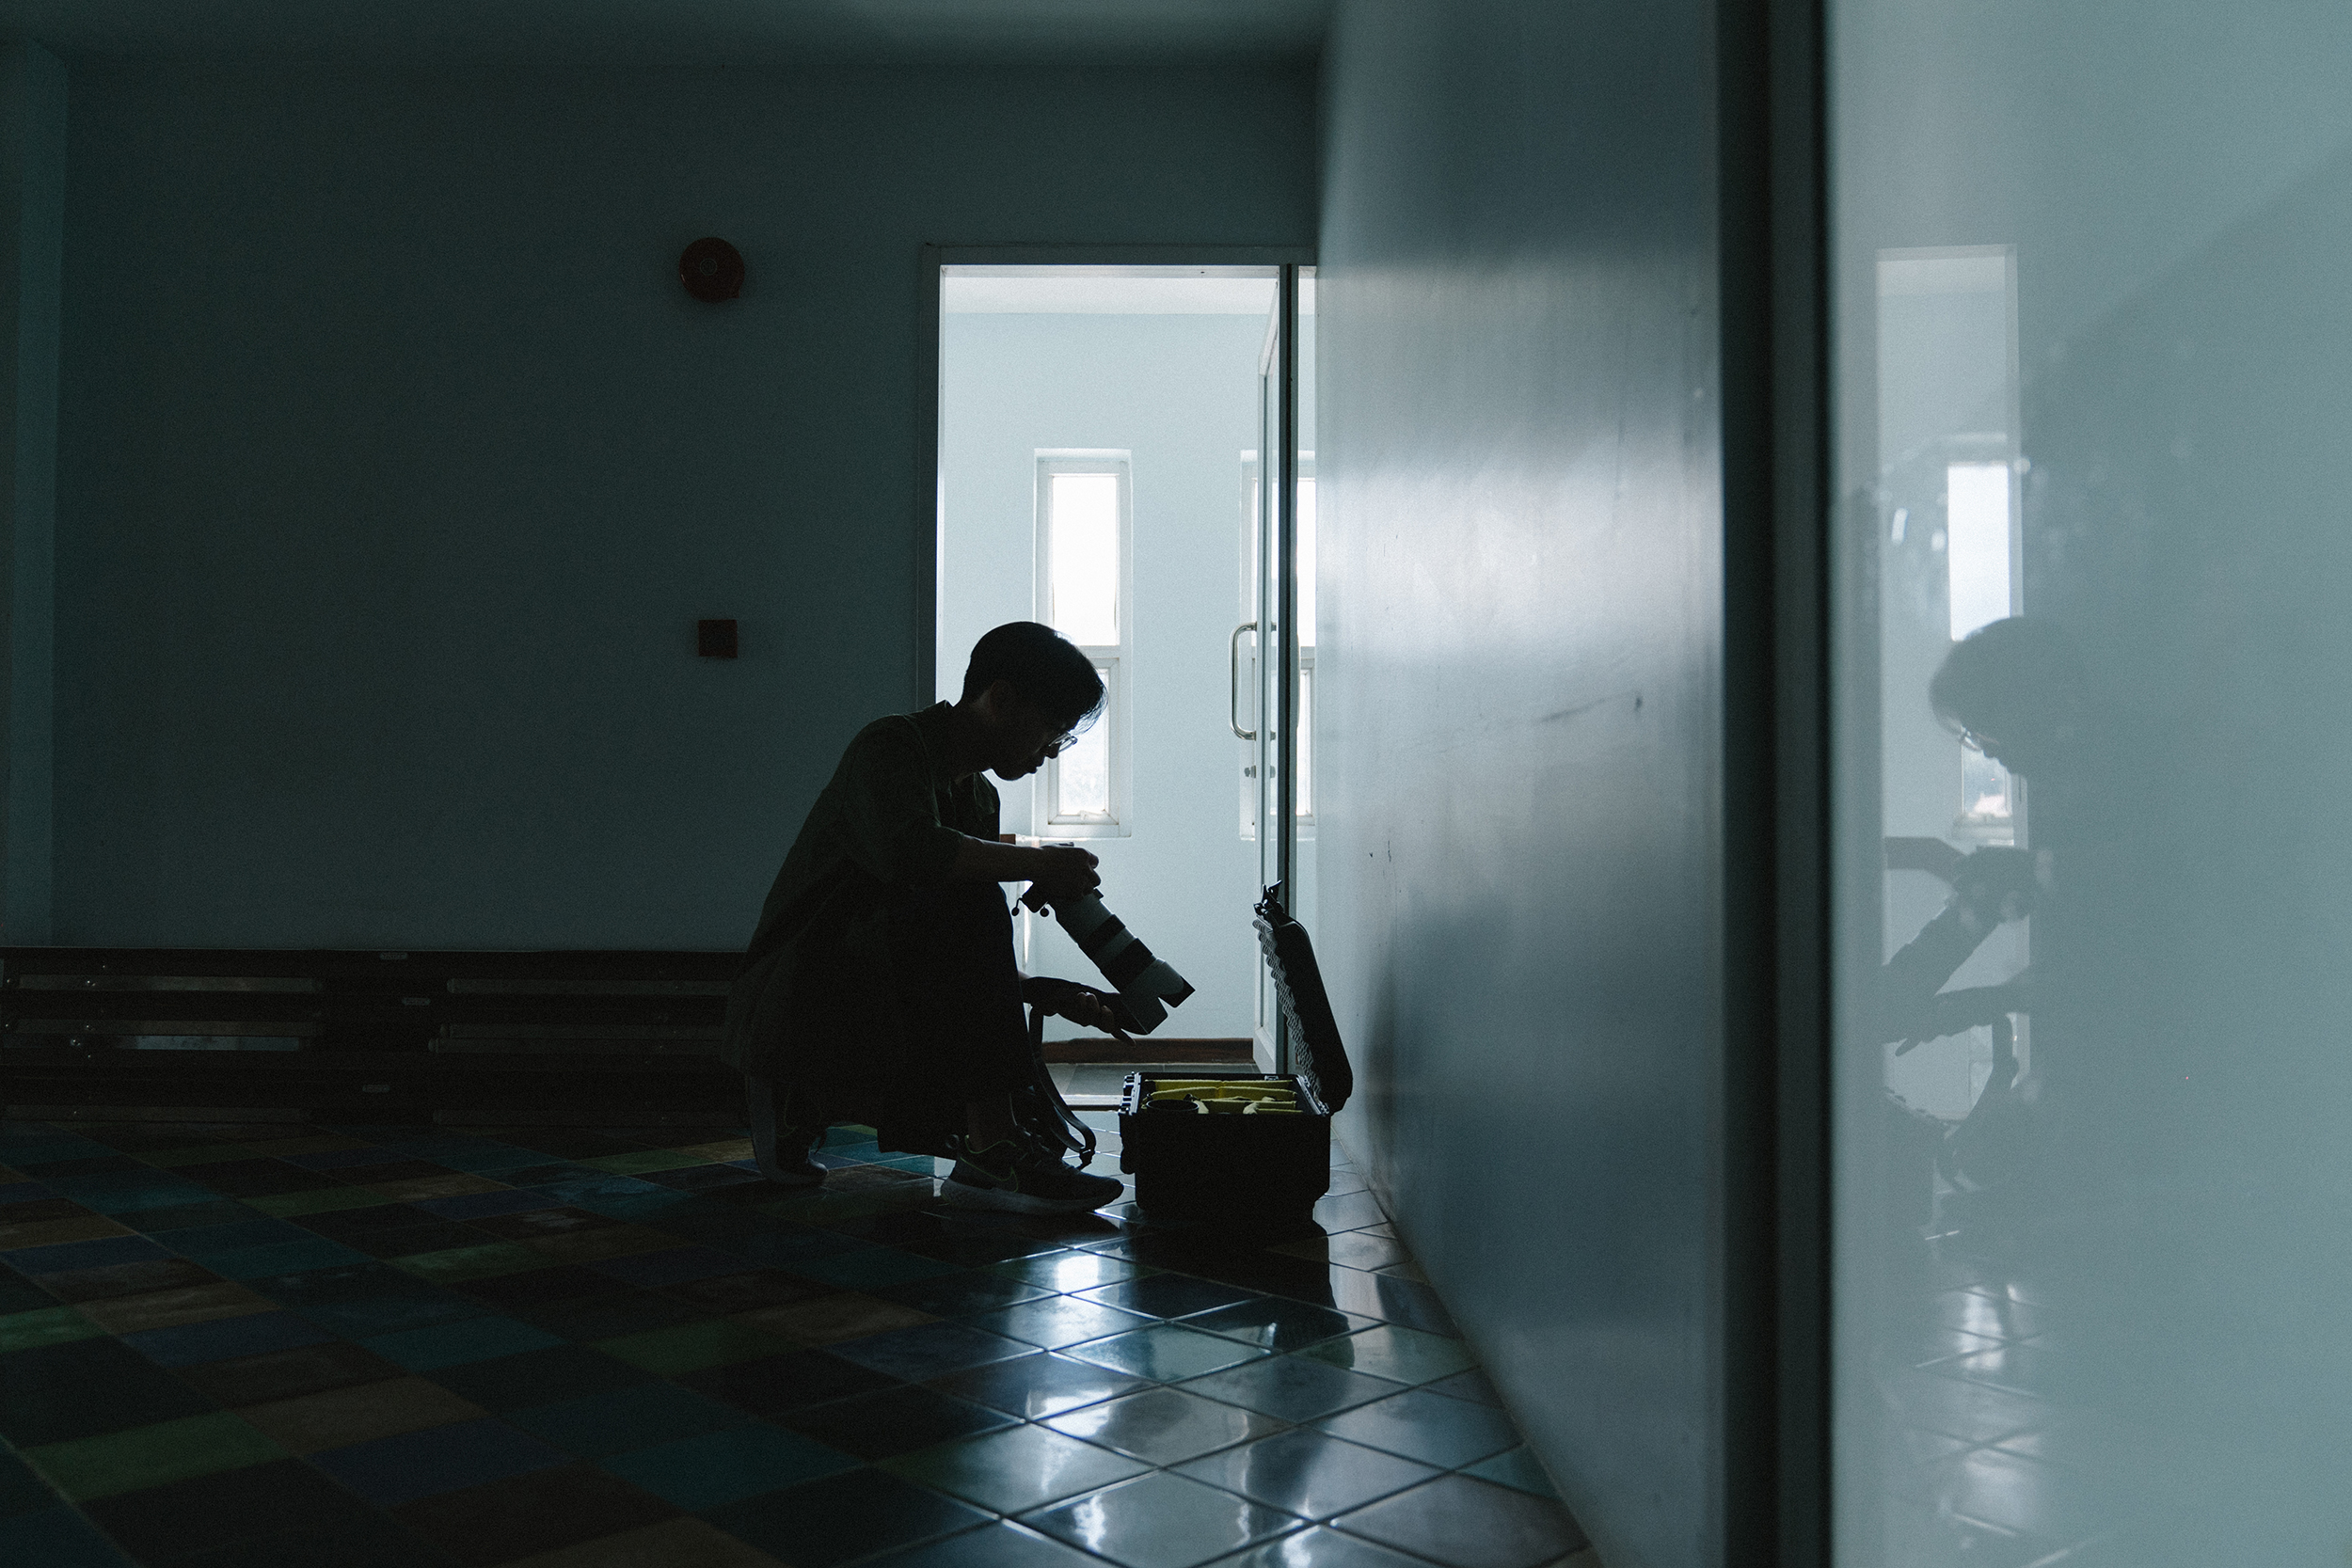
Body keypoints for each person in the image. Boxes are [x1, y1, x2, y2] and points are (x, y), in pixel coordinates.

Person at [721, 622, 1130, 1213]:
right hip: (802, 990)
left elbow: (944, 946)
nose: (1049, 753)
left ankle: (987, 1144)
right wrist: (1037, 862)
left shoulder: (979, 796)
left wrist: (1037, 988)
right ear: (1000, 699)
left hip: (883, 986)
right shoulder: (889, 747)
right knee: (967, 890)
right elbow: (914, 857)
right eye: (1051, 732)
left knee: (967, 894)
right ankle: (987, 1148)